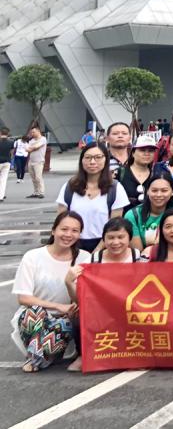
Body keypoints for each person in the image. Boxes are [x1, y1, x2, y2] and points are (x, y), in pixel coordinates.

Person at [12, 212, 90, 372]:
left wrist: (69, 284)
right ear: (53, 230)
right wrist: (57, 306)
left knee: (64, 324)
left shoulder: (84, 258)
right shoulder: (33, 257)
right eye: (64, 229)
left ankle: (36, 359)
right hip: (34, 322)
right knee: (33, 312)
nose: (68, 234)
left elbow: (85, 298)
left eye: (75, 231)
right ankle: (40, 358)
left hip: (65, 321)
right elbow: (23, 298)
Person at [56, 143, 129, 253]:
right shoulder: (69, 187)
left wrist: (97, 251)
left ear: (106, 160)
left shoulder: (115, 188)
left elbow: (114, 226)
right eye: (88, 157)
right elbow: (61, 222)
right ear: (81, 160)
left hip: (104, 246)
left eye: (98, 157)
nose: (92, 162)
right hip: (72, 244)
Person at [125, 172, 173, 251]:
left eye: (164, 190)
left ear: (172, 192)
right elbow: (138, 251)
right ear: (147, 191)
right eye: (154, 190)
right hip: (146, 256)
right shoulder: (133, 215)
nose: (158, 195)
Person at [117, 133, 157, 211]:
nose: (147, 154)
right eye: (142, 150)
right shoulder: (120, 173)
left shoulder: (156, 174)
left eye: (151, 151)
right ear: (133, 153)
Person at [24, 125, 48, 199]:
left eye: (33, 132)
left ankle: (41, 192)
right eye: (31, 132)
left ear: (38, 131)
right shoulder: (32, 140)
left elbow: (36, 147)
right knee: (33, 178)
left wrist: (32, 147)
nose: (32, 134)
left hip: (39, 161)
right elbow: (27, 149)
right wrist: (33, 147)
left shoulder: (43, 139)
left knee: (38, 177)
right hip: (31, 161)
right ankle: (36, 192)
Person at [0, 127, 12, 203]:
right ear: (8, 134)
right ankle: (1, 196)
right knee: (3, 180)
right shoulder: (11, 142)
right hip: (7, 162)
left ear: (0, 133)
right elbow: (12, 152)